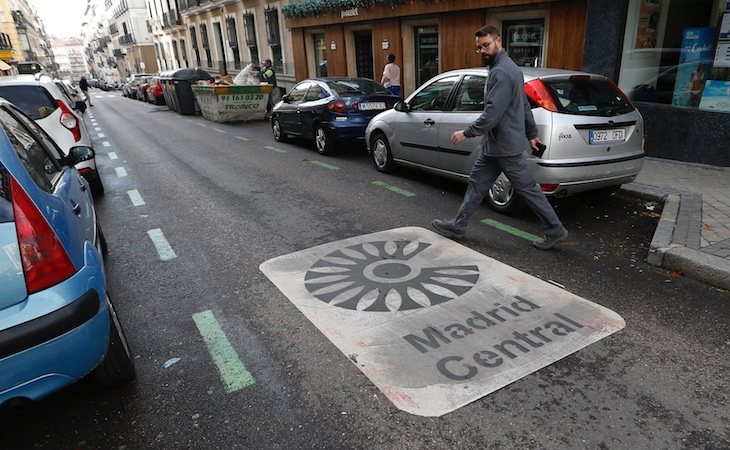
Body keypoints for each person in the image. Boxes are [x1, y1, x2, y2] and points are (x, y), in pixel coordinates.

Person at [431, 24, 568, 250]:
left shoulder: (502, 72)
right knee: (477, 184)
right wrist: (532, 134)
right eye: (479, 48)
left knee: (527, 189)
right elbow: (523, 104)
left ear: (498, 41)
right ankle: (459, 224)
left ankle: (554, 229)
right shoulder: (508, 68)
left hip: (504, 147)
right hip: (496, 146)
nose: (483, 50)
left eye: (486, 45)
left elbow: (493, 113)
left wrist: (466, 133)